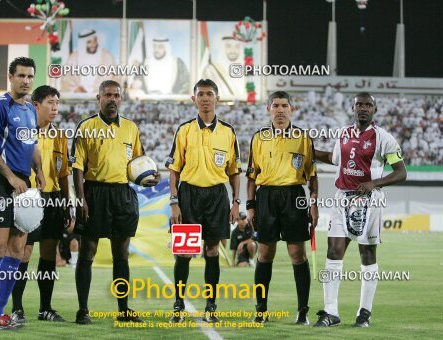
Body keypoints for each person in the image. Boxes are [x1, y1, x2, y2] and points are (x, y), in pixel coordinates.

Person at [313, 92, 407, 328]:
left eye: (368, 105)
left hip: (370, 201)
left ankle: (364, 313)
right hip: (342, 198)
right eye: (359, 105)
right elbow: (335, 159)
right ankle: (331, 312)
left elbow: (401, 171)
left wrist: (374, 183)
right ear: (352, 108)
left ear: (374, 109)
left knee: (367, 255)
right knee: (334, 250)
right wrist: (309, 151)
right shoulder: (343, 133)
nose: (363, 108)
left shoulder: (384, 138)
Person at [71, 80, 160, 324]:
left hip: (123, 194)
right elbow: (77, 167)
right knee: (88, 251)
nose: (112, 99)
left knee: (121, 254)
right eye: (107, 94)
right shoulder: (86, 126)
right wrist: (81, 199)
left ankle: (123, 310)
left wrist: (150, 176)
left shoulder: (131, 128)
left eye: (116, 95)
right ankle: (83, 310)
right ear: (98, 98)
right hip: (95, 193)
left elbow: (138, 163)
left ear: (121, 99)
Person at [166, 78, 241, 323]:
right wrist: (174, 202)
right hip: (188, 196)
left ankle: (211, 307)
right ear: (194, 99)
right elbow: (174, 169)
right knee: (184, 253)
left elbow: (234, 171)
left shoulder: (228, 132)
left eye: (210, 94)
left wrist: (236, 202)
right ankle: (178, 306)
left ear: (217, 98)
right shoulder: (184, 129)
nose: (205, 98)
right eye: (201, 94)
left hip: (217, 196)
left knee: (211, 250)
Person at [0, 57, 46, 330]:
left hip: (24, 186)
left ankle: (2, 313)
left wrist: (39, 170)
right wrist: (9, 176)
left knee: (17, 252)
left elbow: (33, 145)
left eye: (30, 76)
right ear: (10, 77)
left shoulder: (30, 110)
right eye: (21, 76)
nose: (26, 81)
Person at [246, 91, 318, 325]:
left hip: (294, 196)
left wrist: (314, 204)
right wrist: (250, 206)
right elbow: (251, 176)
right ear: (268, 109)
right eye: (275, 105)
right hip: (265, 197)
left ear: (291, 109)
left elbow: (312, 176)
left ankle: (303, 312)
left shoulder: (303, 138)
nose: (279, 110)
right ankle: (261, 310)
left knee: (298, 254)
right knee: (265, 254)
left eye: (284, 105)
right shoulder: (258, 138)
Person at [10, 85, 73, 324]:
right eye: (50, 102)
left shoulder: (59, 135)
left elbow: (64, 173)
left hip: (54, 198)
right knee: (23, 252)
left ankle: (45, 308)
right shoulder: (23, 131)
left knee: (49, 253)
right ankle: (17, 308)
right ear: (35, 104)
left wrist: (68, 204)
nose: (55, 107)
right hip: (28, 198)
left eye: (57, 102)